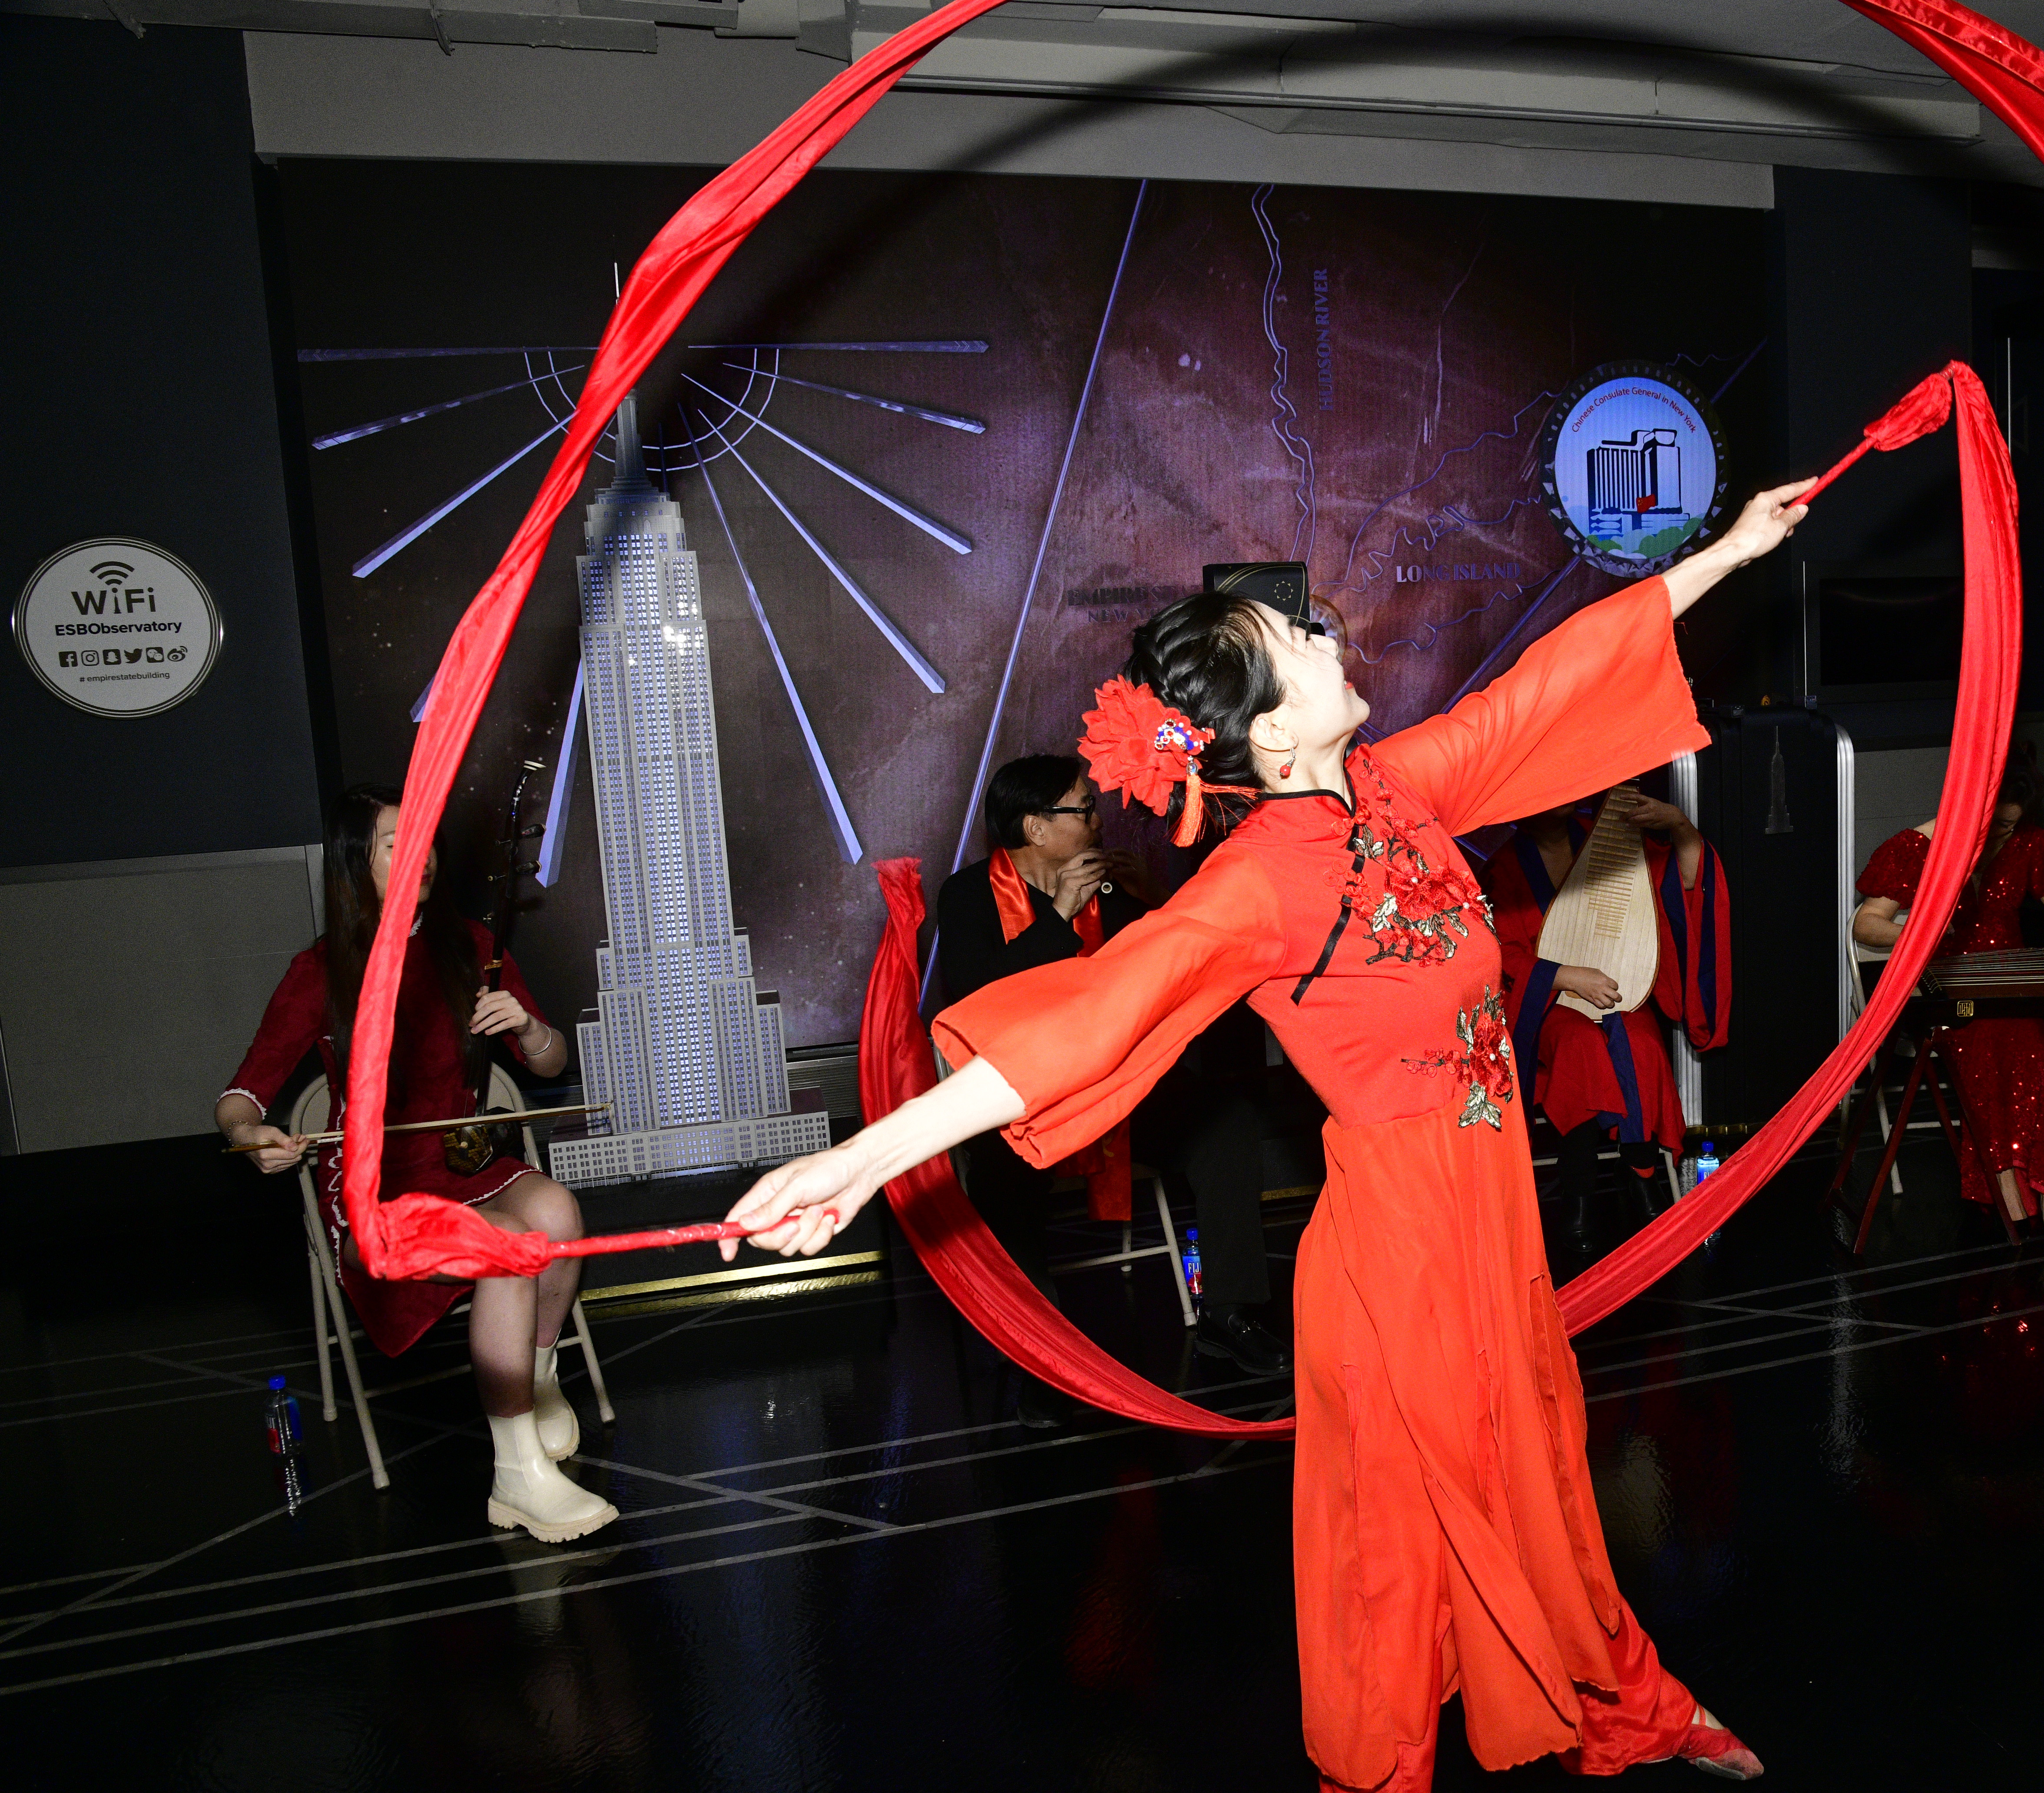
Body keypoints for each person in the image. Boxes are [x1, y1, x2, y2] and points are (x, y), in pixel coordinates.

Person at [719, 477, 1826, 1790]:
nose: (1325, 634)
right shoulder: (1255, 882)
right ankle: (1392, 1759)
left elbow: (1546, 688)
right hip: (1401, 1247)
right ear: (1268, 738)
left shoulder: (1396, 786)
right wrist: (859, 1160)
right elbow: (1091, 1014)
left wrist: (1731, 552)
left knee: (1537, 1474)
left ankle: (1620, 1701)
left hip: (1487, 1212)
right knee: (1414, 1528)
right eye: (1293, 645)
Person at [218, 784, 613, 1543]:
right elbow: (240, 1095)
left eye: (425, 837)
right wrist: (254, 1136)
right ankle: (517, 1474)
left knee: (558, 1211)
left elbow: (550, 1062)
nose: (422, 855)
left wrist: (529, 1026)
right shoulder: (322, 968)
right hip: (375, 1185)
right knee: (501, 1251)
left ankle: (533, 1377)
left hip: (463, 1160)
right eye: (398, 842)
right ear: (352, 863)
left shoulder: (470, 942)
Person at [935, 752, 1289, 1409]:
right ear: (1036, 827)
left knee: (1227, 1125)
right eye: (1083, 808)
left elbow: (1171, 967)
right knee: (1000, 1170)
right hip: (1023, 1100)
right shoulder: (967, 895)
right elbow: (977, 999)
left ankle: (1228, 1313)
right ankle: (1041, 1354)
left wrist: (1151, 897)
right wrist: (1058, 918)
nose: (1099, 821)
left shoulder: (1106, 887)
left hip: (1115, 1089)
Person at [1849, 748, 2044, 1240]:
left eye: (2013, 825)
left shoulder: (2030, 844)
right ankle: (2006, 1187)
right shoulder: (1915, 848)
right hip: (1949, 982)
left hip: (2008, 981)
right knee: (1985, 1046)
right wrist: (1921, 935)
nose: (2005, 835)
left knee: (2036, 1054)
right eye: (1997, 826)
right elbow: (1867, 924)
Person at [1486, 789, 1730, 1250]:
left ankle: (1640, 1174)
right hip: (1548, 1006)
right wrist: (1565, 976)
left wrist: (1678, 825)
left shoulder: (1610, 841)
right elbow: (1497, 952)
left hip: (1619, 989)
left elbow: (1684, 883)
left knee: (1640, 1044)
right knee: (1580, 1047)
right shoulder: (1506, 867)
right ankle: (1579, 1190)